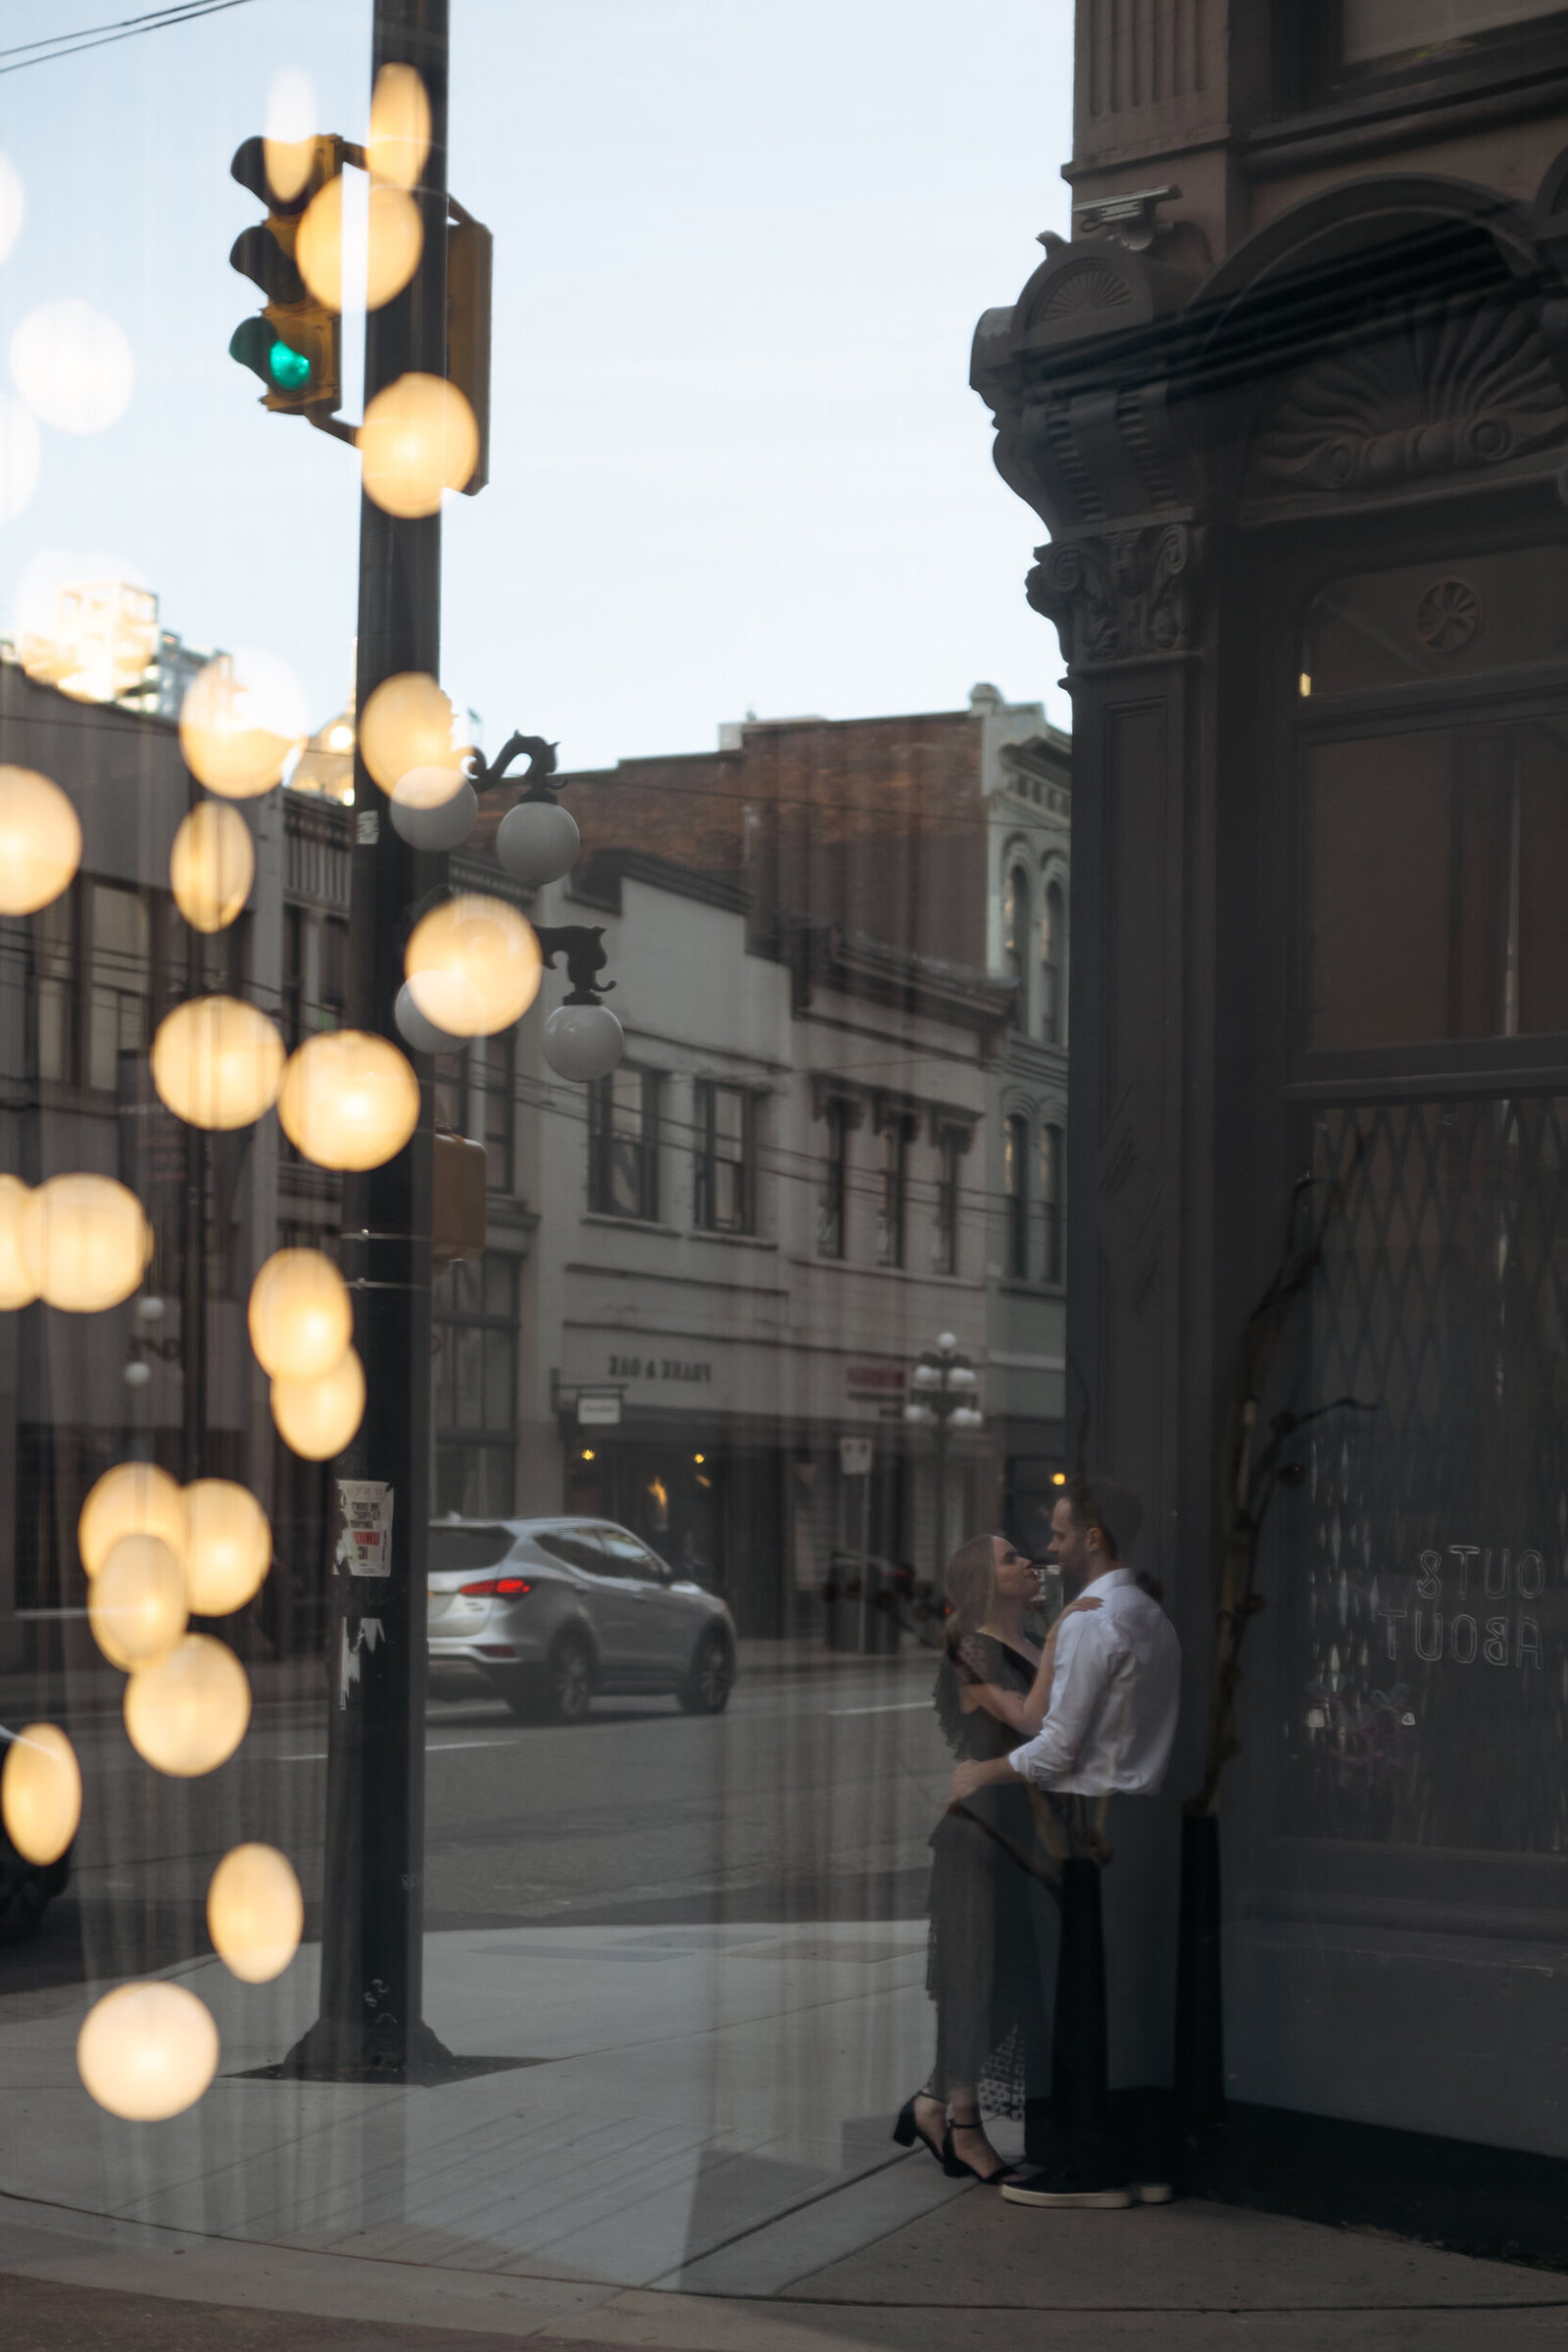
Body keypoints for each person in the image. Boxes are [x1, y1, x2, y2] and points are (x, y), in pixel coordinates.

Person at [950, 1475, 1180, 2211]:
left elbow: (1055, 1749)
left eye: (1055, 1533)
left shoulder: (1090, 1621)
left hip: (1089, 1826)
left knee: (1078, 1996)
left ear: (1093, 1537)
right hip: (1143, 1820)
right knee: (1128, 2000)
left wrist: (978, 1772)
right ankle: (1137, 2161)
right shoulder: (1150, 1614)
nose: (1047, 1548)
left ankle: (1084, 2167)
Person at [895, 1532, 1102, 2186]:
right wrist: (1067, 1625)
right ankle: (961, 2129)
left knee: (1012, 1985)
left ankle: (931, 2103)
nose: (1030, 1564)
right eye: (1012, 1558)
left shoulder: (1028, 1643)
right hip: (979, 1838)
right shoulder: (972, 1647)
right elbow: (1032, 1720)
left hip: (1024, 1830)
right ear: (986, 1579)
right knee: (974, 1983)